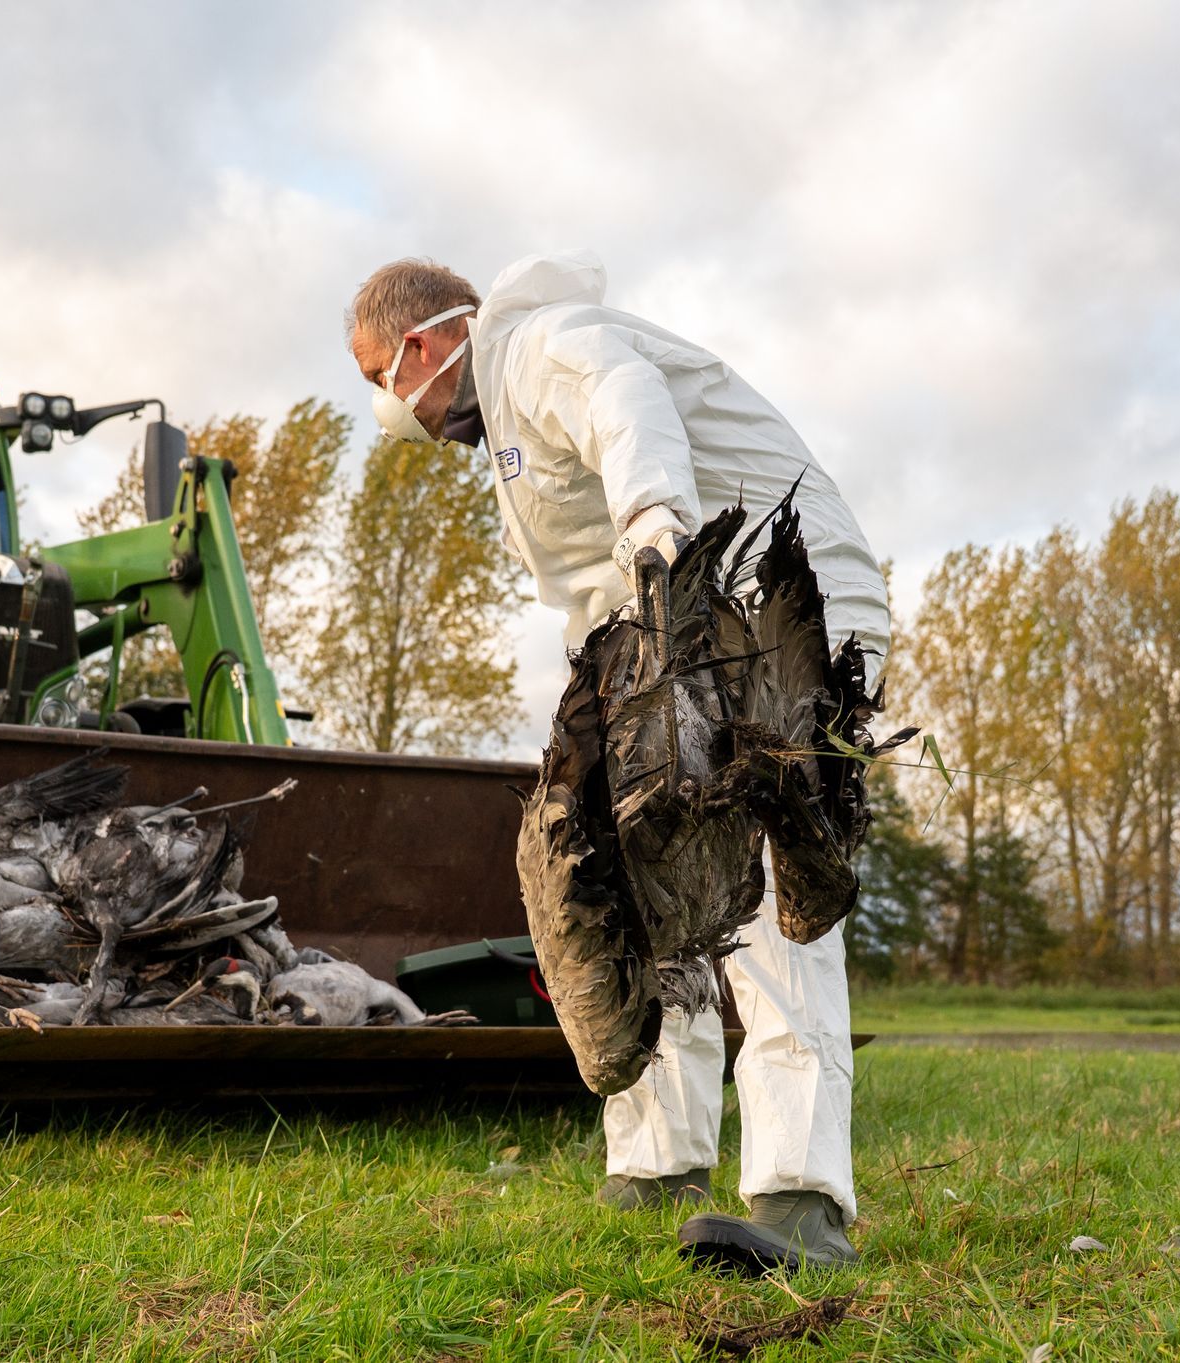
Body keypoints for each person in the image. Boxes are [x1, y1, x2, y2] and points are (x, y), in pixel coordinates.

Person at [344, 251, 891, 1275]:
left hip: (774, 596)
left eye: (380, 377)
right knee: (637, 878)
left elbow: (623, 399)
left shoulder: (537, 343)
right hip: (677, 615)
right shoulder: (507, 426)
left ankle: (801, 1201)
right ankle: (655, 1164)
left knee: (765, 885)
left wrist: (653, 526)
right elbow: (587, 582)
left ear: (421, 345)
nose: (390, 407)